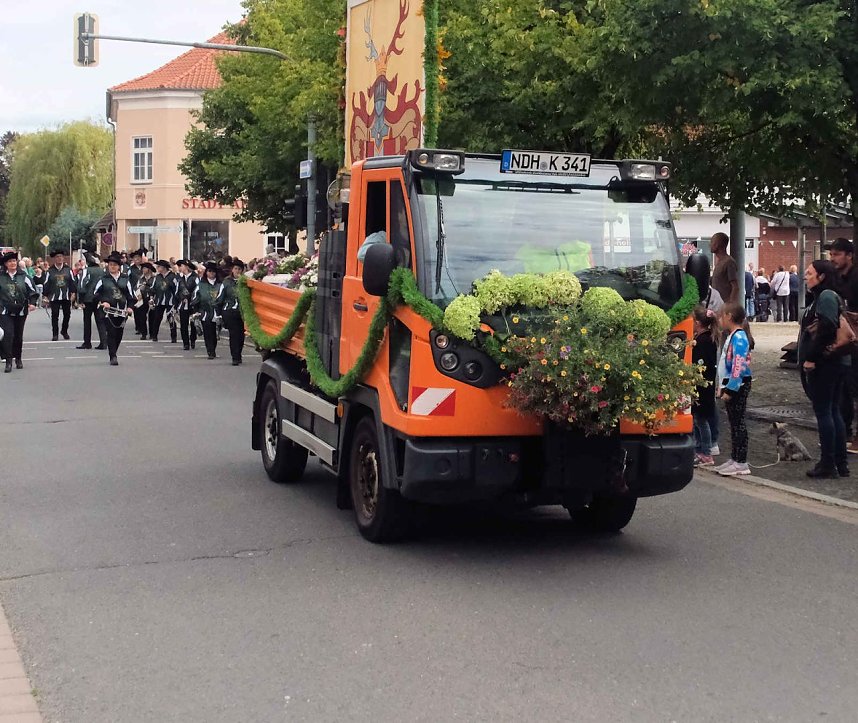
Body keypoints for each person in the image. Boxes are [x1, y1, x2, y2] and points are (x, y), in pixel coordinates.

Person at [797, 259, 851, 478]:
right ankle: (840, 463)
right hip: (832, 363)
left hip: (826, 364)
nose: (806, 276)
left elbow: (826, 328)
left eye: (810, 273)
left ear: (822, 277)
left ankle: (829, 463)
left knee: (825, 412)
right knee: (832, 411)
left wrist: (811, 358)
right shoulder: (822, 296)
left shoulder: (826, 296)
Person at [826, 238, 858, 452]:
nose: (833, 258)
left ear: (849, 255)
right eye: (831, 255)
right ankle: (844, 432)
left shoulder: (855, 278)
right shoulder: (836, 277)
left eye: (837, 254)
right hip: (844, 341)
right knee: (845, 387)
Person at [714, 303, 753, 476]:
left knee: (738, 423)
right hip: (729, 383)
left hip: (738, 384)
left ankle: (741, 461)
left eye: (722, 316)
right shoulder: (733, 336)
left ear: (729, 316)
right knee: (733, 422)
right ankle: (735, 457)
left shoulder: (739, 338)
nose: (720, 320)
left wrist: (730, 389)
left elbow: (738, 365)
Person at [93, 252, 135, 366]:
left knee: (119, 334)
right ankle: (113, 356)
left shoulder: (125, 279)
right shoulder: (103, 279)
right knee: (111, 333)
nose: (112, 267)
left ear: (119, 267)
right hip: (108, 311)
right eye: (110, 264)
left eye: (115, 265)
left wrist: (130, 308)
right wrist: (103, 301)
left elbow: (131, 296)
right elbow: (95, 294)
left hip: (122, 311)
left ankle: (114, 351)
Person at [0, 251, 39, 373]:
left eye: (14, 261)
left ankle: (18, 358)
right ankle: (8, 361)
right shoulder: (1, 277)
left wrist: (32, 303)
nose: (13, 263)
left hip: (21, 310)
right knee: (8, 335)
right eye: (10, 261)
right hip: (5, 310)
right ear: (6, 264)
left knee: (18, 336)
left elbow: (33, 291)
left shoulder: (24, 277)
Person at [692, 306, 718, 466]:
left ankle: (706, 452)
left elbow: (701, 363)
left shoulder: (703, 341)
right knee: (697, 419)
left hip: (703, 385)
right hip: (703, 384)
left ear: (697, 323)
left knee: (701, 420)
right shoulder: (707, 338)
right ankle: (700, 449)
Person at [191, 262, 224, 360]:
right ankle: (210, 351)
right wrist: (195, 310)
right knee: (207, 332)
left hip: (217, 313)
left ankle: (213, 347)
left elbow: (222, 297)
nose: (211, 273)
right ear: (206, 273)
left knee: (214, 333)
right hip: (205, 312)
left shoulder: (220, 285)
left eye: (213, 271)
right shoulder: (201, 285)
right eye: (209, 271)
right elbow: (195, 297)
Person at [43, 250, 77, 340]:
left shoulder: (68, 269)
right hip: (54, 296)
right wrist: (45, 296)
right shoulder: (50, 271)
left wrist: (73, 293)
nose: (59, 258)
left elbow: (72, 282)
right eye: (57, 257)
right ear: (55, 259)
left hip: (66, 296)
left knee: (67, 315)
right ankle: (55, 334)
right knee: (55, 315)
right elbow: (46, 283)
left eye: (61, 256)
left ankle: (64, 331)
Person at [75, 252, 107, 350]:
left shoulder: (86, 271)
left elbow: (81, 285)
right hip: (100, 299)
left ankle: (87, 342)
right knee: (100, 320)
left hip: (88, 299)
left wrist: (80, 300)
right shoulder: (103, 271)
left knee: (87, 321)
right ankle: (103, 342)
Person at [221, 258, 246, 366]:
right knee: (233, 334)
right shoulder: (226, 282)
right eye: (235, 269)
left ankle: (238, 354)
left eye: (239, 269)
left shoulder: (245, 282)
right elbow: (220, 296)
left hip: (242, 312)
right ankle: (234, 357)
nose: (237, 271)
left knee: (241, 335)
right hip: (230, 311)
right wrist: (219, 312)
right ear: (232, 270)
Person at [174, 260, 198, 350]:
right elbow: (177, 292)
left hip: (192, 304)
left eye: (181, 266)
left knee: (193, 323)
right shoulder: (180, 279)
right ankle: (185, 343)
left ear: (187, 267)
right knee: (183, 324)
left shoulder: (195, 278)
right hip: (183, 304)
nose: (180, 268)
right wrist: (176, 305)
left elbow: (197, 290)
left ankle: (193, 340)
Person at [710, 232, 739, 304]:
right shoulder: (719, 262)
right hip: (716, 304)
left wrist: (729, 305)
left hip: (724, 305)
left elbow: (735, 287)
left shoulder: (729, 262)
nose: (710, 245)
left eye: (712, 242)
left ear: (717, 245)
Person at [148, 260, 173, 342]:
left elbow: (176, 289)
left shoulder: (172, 277)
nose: (157, 268)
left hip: (170, 301)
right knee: (157, 318)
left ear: (164, 268)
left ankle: (174, 336)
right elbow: (153, 288)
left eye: (159, 266)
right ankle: (154, 336)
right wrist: (151, 298)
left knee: (171, 318)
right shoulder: (157, 277)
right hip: (159, 300)